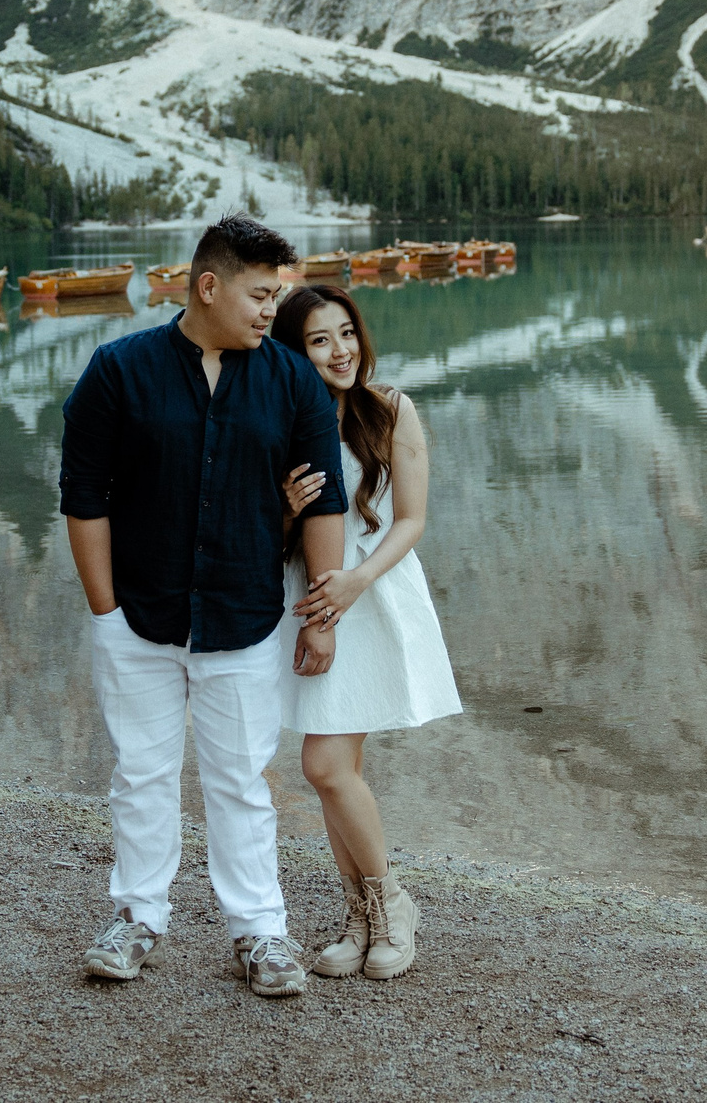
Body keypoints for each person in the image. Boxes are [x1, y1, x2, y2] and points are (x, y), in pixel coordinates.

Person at [58, 215, 350, 998]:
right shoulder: (118, 371)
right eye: (260, 294)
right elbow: (84, 500)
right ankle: (136, 919)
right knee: (141, 774)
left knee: (241, 782)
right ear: (208, 286)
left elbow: (325, 506)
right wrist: (105, 613)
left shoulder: (291, 381)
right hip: (138, 619)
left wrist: (320, 617)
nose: (270, 311)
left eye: (277, 295)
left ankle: (259, 933)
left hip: (246, 618)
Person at [275, 284, 462, 980]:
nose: (340, 350)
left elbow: (411, 519)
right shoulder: (285, 418)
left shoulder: (391, 409)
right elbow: (272, 532)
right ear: (294, 353)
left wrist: (356, 582)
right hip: (314, 598)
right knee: (332, 772)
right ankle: (364, 916)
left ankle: (388, 909)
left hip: (370, 595)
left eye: (345, 332)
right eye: (319, 339)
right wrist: (287, 514)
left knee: (324, 767)